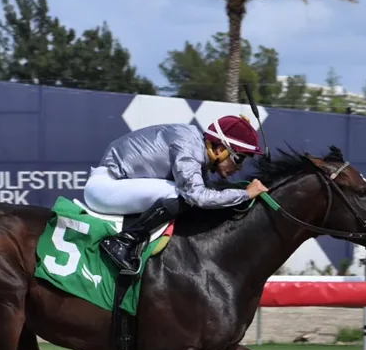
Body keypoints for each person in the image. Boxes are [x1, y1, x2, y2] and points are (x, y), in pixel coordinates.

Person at [84, 114, 269, 274]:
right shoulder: (189, 146)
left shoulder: (195, 145)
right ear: (221, 150)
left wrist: (239, 191)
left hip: (115, 184)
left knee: (183, 193)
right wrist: (245, 194)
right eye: (239, 158)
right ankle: (124, 242)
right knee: (179, 194)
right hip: (104, 188)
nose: (240, 167)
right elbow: (197, 196)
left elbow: (207, 190)